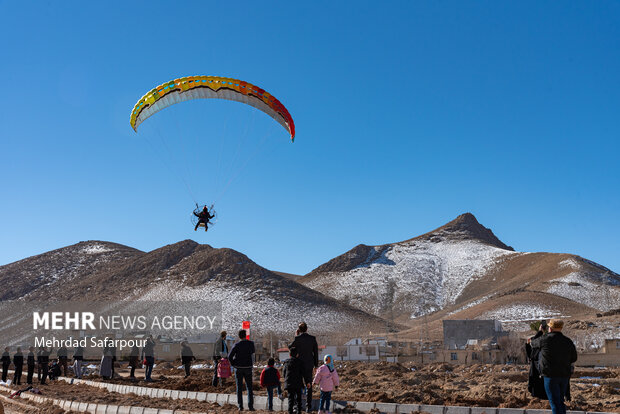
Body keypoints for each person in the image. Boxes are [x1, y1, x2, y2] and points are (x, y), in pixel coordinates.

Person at [529, 319, 577, 414]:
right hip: (564, 377)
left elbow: (532, 343)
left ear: (550, 328)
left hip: (550, 377)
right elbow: (574, 358)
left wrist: (540, 332)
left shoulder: (545, 339)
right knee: (560, 402)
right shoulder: (568, 341)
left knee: (554, 403)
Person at [289, 322, 319, 412]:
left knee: (297, 385)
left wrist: (296, 335)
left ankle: (297, 406)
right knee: (308, 385)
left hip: (298, 366)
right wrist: (316, 365)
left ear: (299, 330)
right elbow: (316, 353)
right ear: (307, 329)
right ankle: (308, 407)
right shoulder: (312, 339)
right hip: (309, 365)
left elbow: (290, 347)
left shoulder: (297, 338)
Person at [228, 329, 255, 411]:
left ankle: (240, 406)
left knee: (239, 388)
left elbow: (230, 356)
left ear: (239, 336)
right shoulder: (251, 344)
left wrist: (233, 364)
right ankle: (250, 406)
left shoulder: (236, 345)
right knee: (249, 388)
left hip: (239, 368)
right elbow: (253, 353)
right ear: (245, 335)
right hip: (248, 368)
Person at [283, 346, 304, 414]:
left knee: (290, 399)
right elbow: (303, 373)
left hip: (289, 383)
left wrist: (286, 380)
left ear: (290, 354)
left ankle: (290, 412)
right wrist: (307, 382)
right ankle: (299, 411)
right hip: (298, 383)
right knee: (298, 399)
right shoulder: (300, 362)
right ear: (297, 354)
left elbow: (284, 373)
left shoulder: (286, 362)